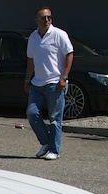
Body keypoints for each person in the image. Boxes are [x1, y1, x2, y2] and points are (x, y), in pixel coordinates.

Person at [24, 7, 73, 161]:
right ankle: (45, 142)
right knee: (32, 113)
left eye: (49, 17)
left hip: (55, 83)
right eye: (43, 17)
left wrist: (64, 77)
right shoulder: (33, 37)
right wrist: (27, 79)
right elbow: (31, 59)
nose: (46, 20)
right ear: (36, 20)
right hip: (37, 83)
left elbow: (69, 54)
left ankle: (54, 150)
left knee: (55, 119)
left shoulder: (59, 34)